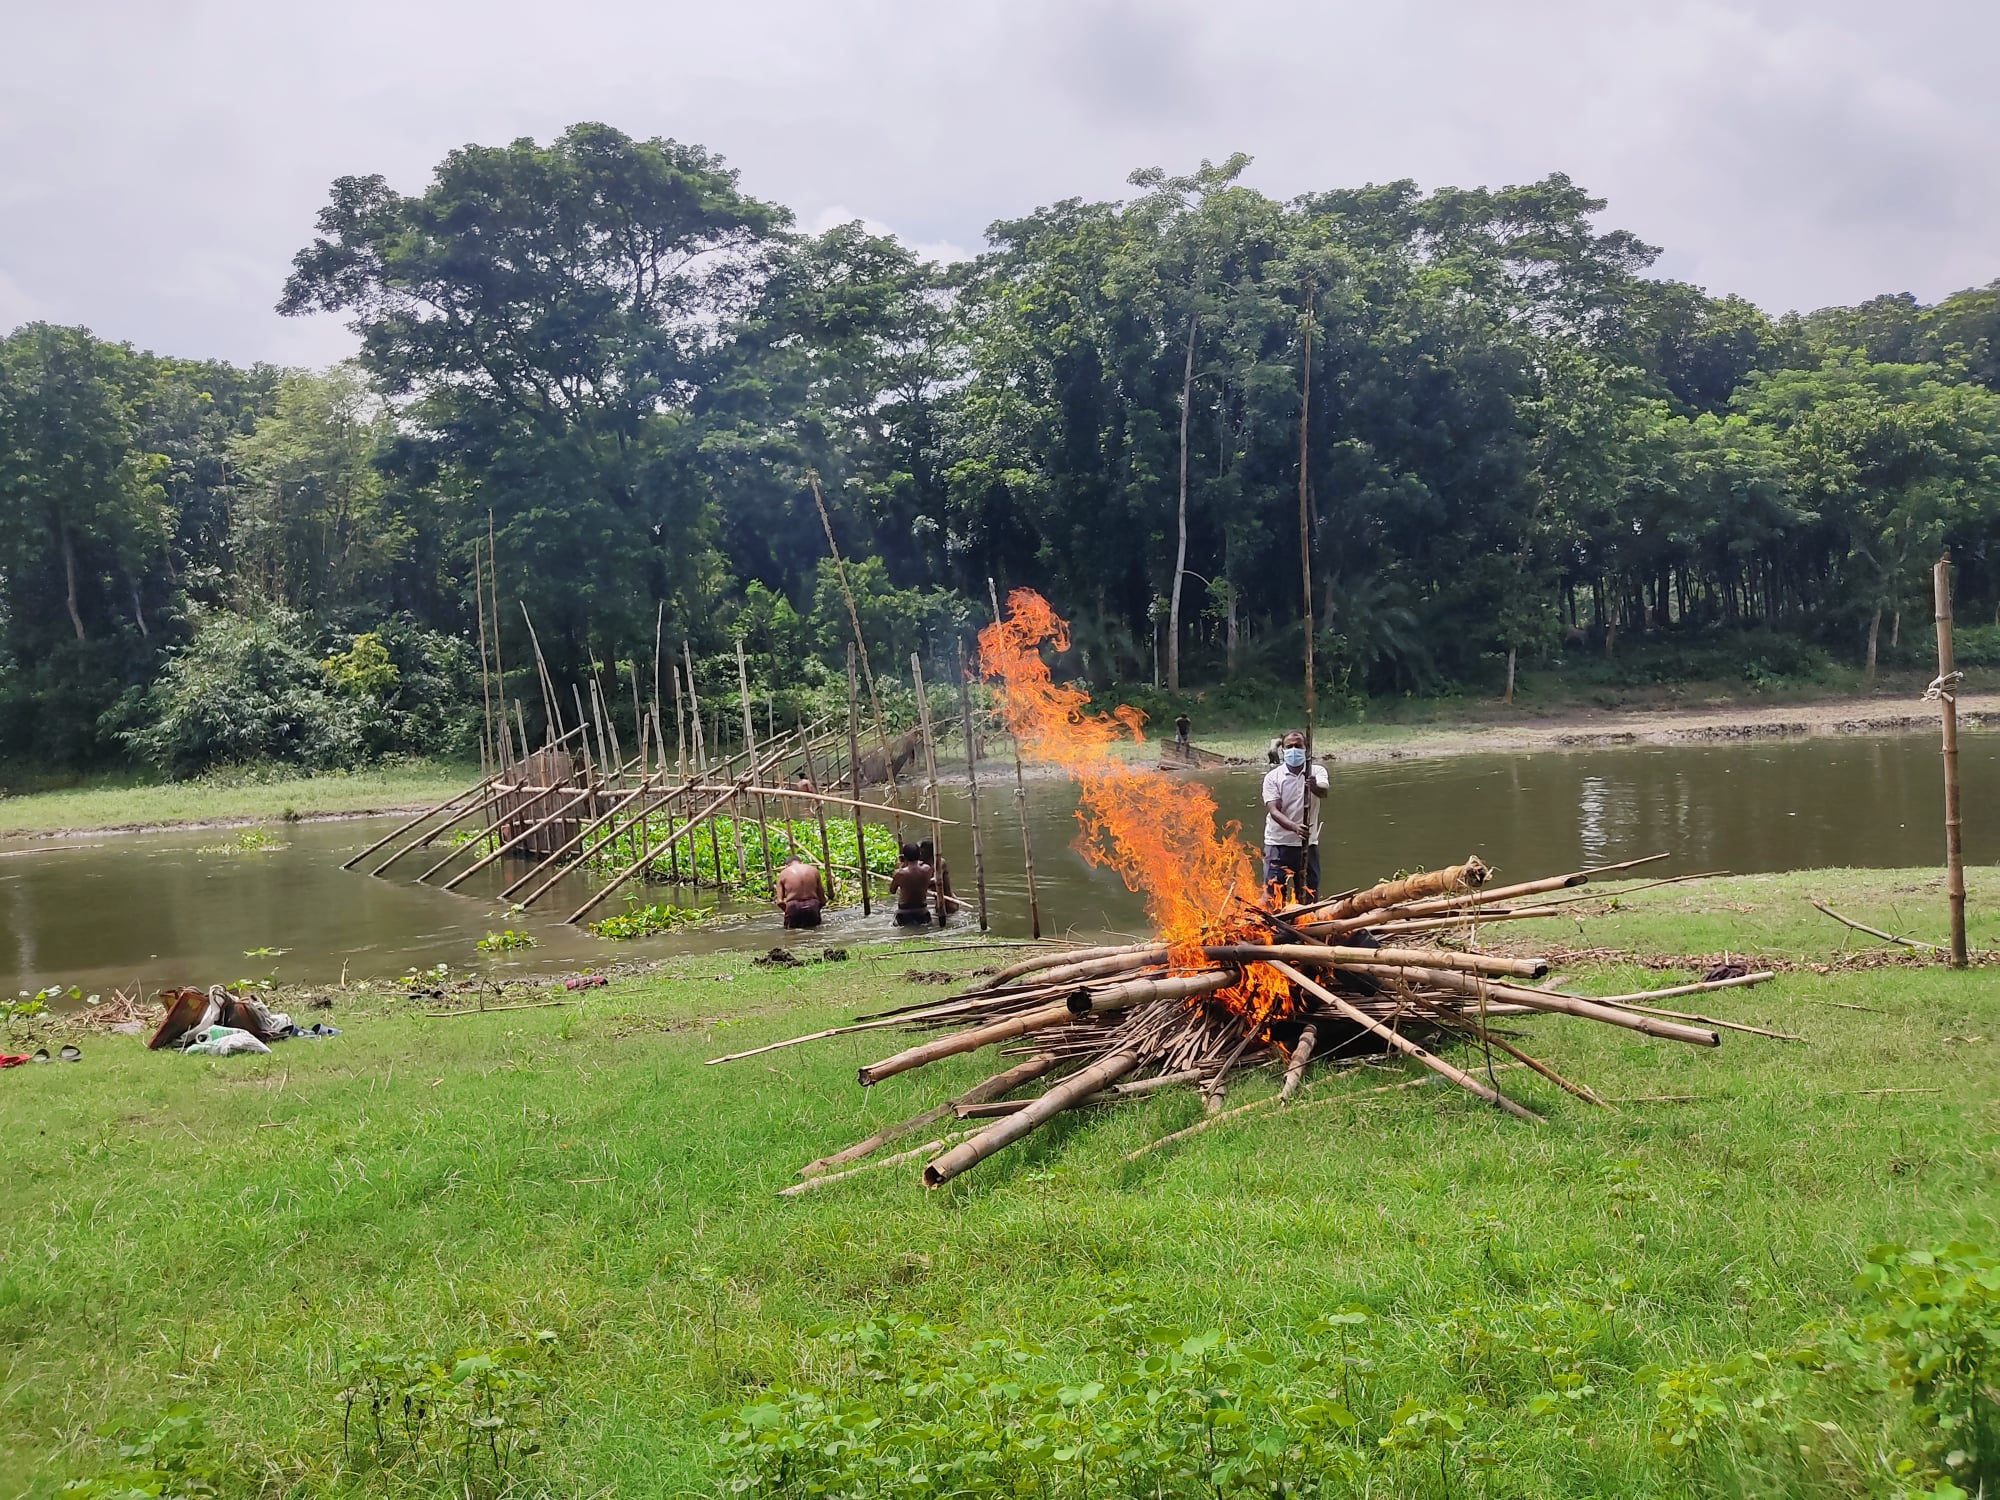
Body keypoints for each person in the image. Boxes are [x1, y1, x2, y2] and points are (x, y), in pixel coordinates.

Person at [1261, 730, 1327, 904]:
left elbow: (1324, 792)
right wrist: (1295, 827)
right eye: (1289, 747)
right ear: (1283, 750)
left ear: (1306, 749)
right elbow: (1274, 811)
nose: (1294, 750)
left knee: (1309, 894)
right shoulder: (1273, 777)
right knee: (1274, 895)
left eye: (1298, 746)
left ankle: (1308, 920)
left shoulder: (1317, 771)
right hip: (1278, 845)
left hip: (1308, 844)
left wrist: (1314, 786)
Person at [888, 843, 934, 926]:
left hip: (904, 912)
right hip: (922, 911)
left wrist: (900, 867)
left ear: (904, 857)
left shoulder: (899, 873)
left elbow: (892, 891)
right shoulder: (927, 869)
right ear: (919, 855)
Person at [774, 855, 827, 929]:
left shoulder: (783, 874)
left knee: (792, 933)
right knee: (815, 931)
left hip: (794, 907)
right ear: (801, 862)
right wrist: (815, 908)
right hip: (812, 905)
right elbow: (822, 900)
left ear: (786, 866)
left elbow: (780, 902)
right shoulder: (814, 870)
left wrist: (789, 910)